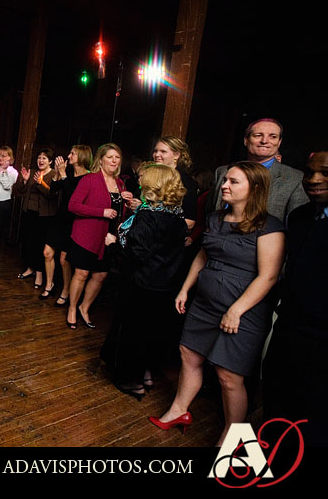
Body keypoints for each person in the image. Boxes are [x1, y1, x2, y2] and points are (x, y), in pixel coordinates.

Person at [150, 161, 285, 445]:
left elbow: (268, 276)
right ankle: (178, 410)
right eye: (226, 180)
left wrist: (235, 311)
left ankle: (232, 436)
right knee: (189, 354)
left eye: (234, 182)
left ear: (255, 188)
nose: (224, 185)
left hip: (242, 310)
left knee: (228, 376)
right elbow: (203, 255)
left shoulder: (269, 226)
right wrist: (185, 289)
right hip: (205, 303)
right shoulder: (214, 218)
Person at [100, 164, 187, 398]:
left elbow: (138, 254)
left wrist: (114, 243)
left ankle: (131, 382)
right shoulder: (177, 217)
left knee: (132, 333)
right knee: (152, 332)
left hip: (142, 283)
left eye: (144, 180)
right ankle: (145, 374)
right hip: (166, 284)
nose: (140, 183)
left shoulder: (148, 216)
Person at [264, 150, 328, 445]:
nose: (314, 180)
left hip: (322, 337)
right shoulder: (300, 217)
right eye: (309, 172)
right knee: (276, 399)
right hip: (289, 326)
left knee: (312, 414)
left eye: (325, 173)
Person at [66, 143, 130, 328]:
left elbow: (119, 212)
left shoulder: (120, 183)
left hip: (109, 237)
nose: (114, 160)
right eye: (110, 157)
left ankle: (84, 308)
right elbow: (73, 205)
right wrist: (101, 212)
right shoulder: (90, 179)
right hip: (87, 235)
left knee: (101, 275)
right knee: (82, 273)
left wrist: (130, 203)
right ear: (100, 160)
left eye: (117, 157)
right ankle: (72, 308)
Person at [207, 118, 308, 221]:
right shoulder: (222, 172)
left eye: (273, 137)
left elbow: (297, 223)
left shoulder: (295, 178)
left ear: (279, 142)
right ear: (246, 140)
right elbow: (209, 213)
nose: (264, 141)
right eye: (258, 135)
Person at [44, 145, 92, 307]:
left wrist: (64, 174)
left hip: (74, 221)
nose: (69, 156)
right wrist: (58, 173)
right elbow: (53, 190)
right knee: (47, 252)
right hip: (61, 218)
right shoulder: (68, 172)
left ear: (82, 157)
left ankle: (65, 290)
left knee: (64, 260)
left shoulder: (88, 177)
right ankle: (49, 285)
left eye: (72, 154)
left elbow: (74, 197)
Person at [14, 148, 58, 294]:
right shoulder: (33, 172)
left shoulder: (54, 174)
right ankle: (30, 268)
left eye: (44, 158)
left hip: (44, 216)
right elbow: (19, 191)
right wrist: (25, 181)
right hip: (29, 213)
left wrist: (40, 183)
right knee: (28, 243)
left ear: (50, 161)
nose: (41, 160)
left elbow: (53, 195)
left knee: (40, 245)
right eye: (39, 157)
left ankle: (39, 275)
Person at [152, 136, 198, 231]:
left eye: (163, 151)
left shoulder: (186, 182)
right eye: (155, 151)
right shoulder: (151, 176)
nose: (157, 154)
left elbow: (190, 221)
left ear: (176, 155)